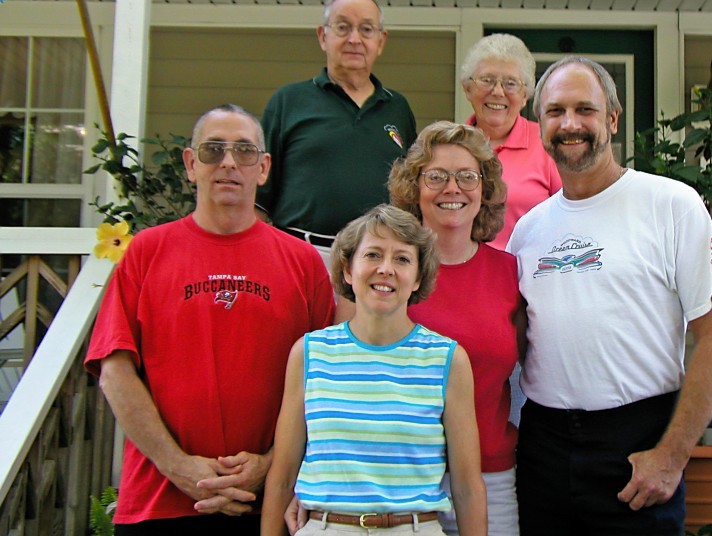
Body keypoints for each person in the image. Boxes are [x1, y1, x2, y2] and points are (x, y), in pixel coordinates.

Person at [507, 56, 712, 535]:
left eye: (584, 109)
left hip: (638, 445)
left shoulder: (671, 205)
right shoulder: (528, 231)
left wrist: (672, 457)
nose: (570, 124)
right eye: (555, 111)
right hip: (542, 449)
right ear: (540, 123)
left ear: (612, 118)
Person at [85, 104, 336, 535]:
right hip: (159, 501)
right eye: (213, 150)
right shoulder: (146, 252)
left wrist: (272, 462)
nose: (228, 162)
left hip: (270, 505)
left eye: (244, 151)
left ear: (264, 168)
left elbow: (326, 378)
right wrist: (178, 466)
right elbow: (114, 371)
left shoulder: (303, 263)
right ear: (189, 163)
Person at [262, 204, 487, 536]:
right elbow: (281, 478)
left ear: (418, 278)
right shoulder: (309, 354)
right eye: (373, 255)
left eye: (402, 259)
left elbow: (467, 488)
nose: (386, 269)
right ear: (349, 270)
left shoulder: (447, 361)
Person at [389, 121, 523, 535]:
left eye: (467, 176)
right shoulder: (388, 270)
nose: (453, 188)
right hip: (399, 479)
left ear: (484, 190)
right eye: (436, 177)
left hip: (491, 476)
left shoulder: (510, 273)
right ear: (414, 189)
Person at [257, 0, 416, 267]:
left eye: (366, 29)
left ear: (380, 41)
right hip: (300, 257)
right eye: (343, 27)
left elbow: (411, 191)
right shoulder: (288, 102)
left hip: (377, 264)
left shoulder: (398, 108)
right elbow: (258, 195)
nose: (355, 39)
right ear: (323, 36)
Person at [460, 33, 561, 250]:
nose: (497, 92)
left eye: (510, 83)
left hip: (528, 278)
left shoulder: (548, 145)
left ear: (525, 95)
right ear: (467, 89)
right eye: (486, 80)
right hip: (462, 277)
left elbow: (573, 218)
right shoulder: (452, 147)